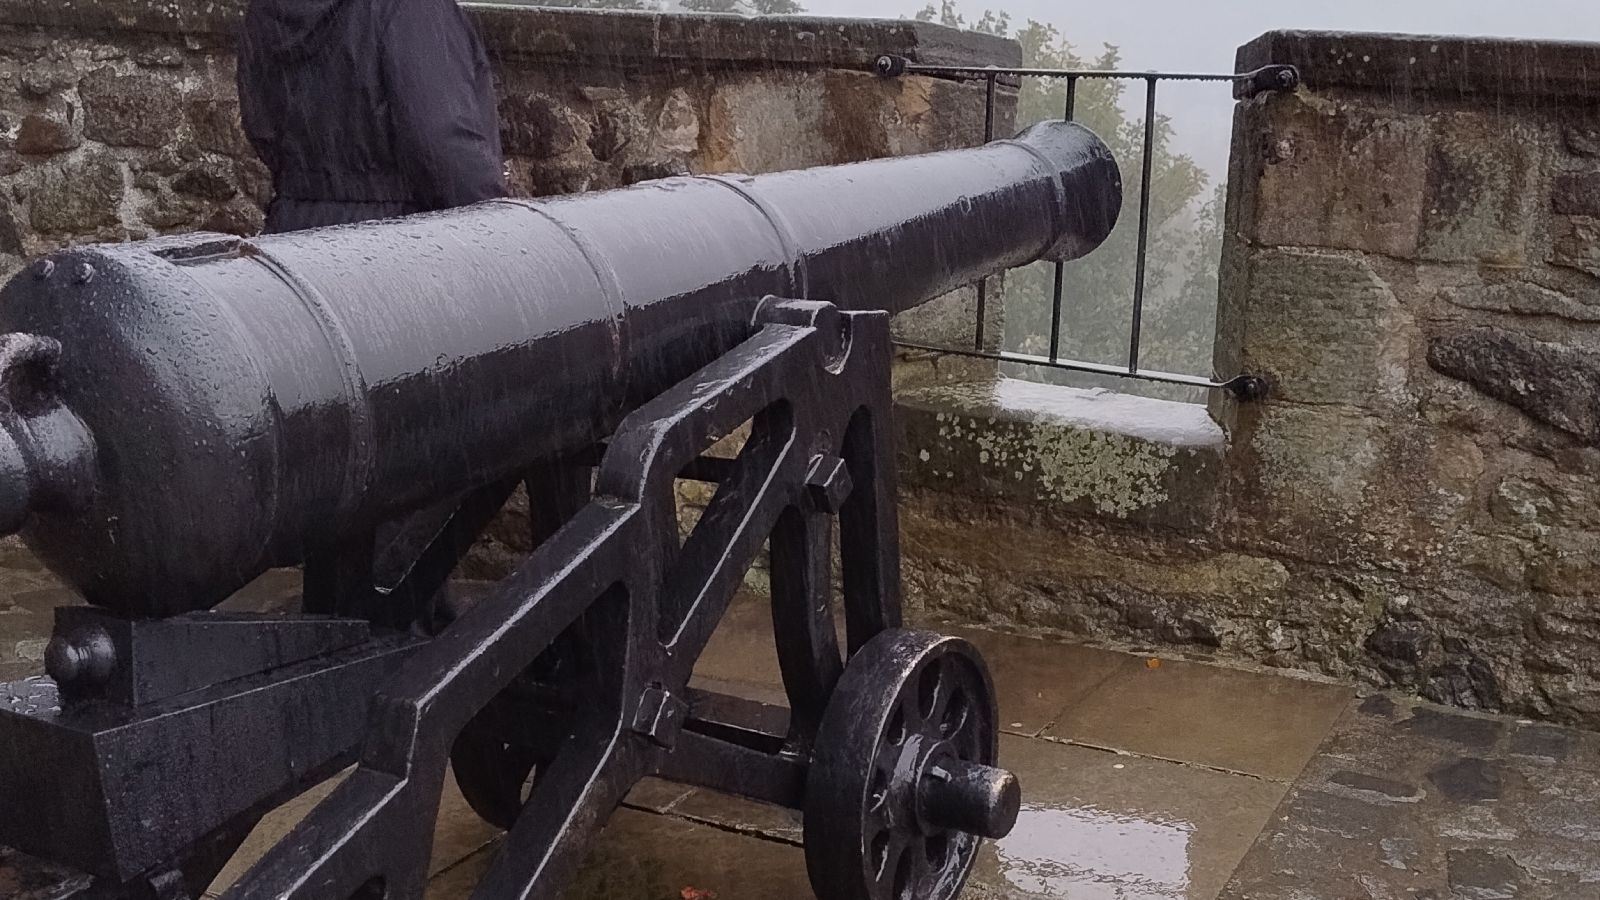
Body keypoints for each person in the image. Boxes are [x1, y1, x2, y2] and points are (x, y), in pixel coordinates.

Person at [238, 0, 507, 234]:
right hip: (395, 241)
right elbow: (444, 148)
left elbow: (260, 122)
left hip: (292, 232)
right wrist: (497, 227)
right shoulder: (411, 9)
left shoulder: (267, 8)